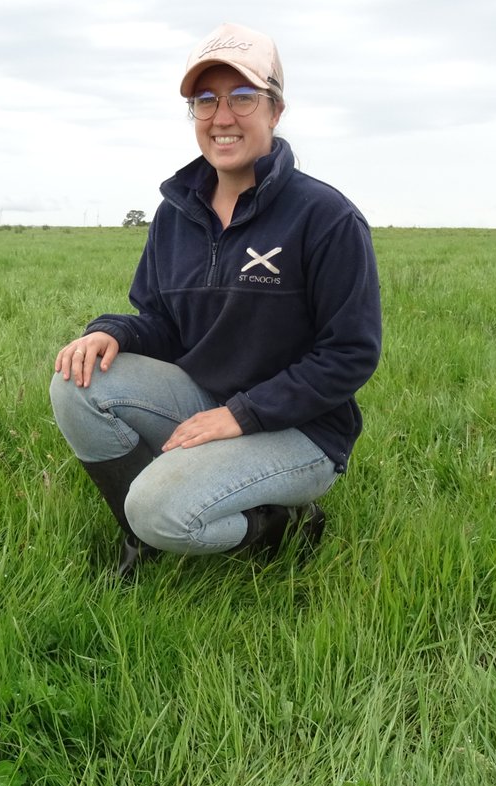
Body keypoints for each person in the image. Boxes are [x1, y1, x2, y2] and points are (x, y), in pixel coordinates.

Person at [50, 22, 382, 577]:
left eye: (242, 97)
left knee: (157, 507)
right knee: (78, 382)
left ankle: (281, 524)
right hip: (206, 399)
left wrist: (244, 415)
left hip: (301, 429)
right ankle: (144, 541)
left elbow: (350, 353)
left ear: (275, 110)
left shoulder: (326, 218)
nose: (222, 117)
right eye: (205, 101)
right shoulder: (176, 214)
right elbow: (161, 321)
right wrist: (115, 332)